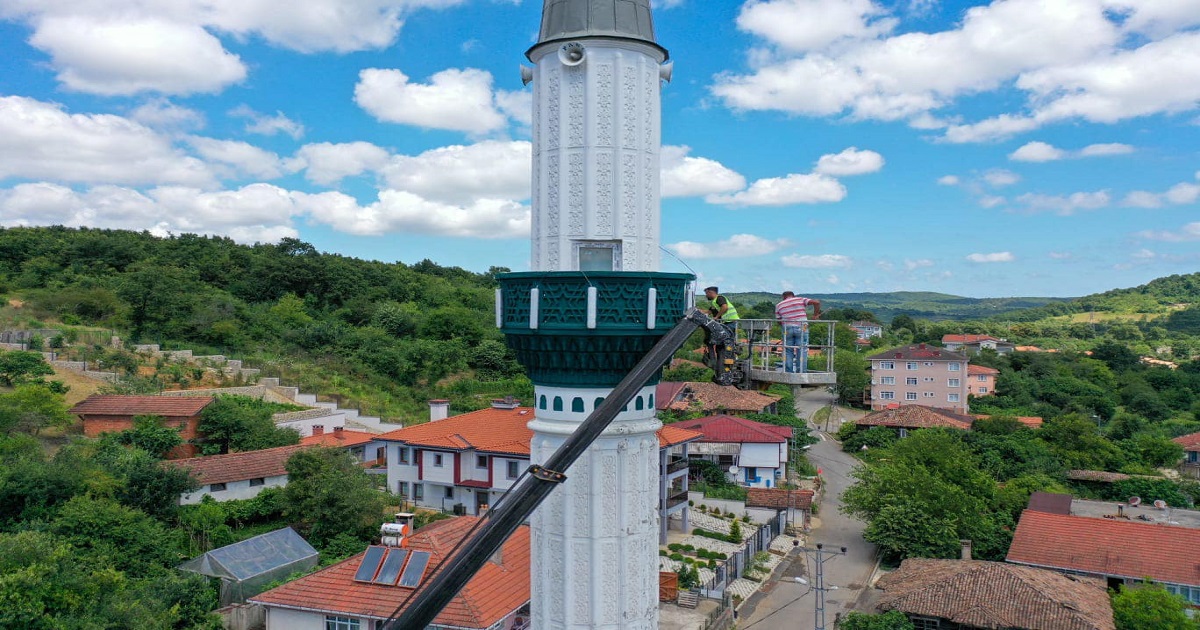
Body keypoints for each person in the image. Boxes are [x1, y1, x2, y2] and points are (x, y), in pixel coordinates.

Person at [775, 291, 820, 373]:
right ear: (793, 295)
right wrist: (815, 315)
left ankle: (788, 372)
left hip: (787, 329)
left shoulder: (779, 305)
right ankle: (801, 372)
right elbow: (816, 302)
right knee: (802, 349)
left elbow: (779, 321)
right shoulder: (800, 299)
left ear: (783, 297)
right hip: (802, 327)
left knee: (788, 350)